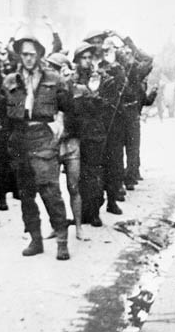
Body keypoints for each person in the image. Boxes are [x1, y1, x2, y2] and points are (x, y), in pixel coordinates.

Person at [3, 30, 71, 260]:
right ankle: (35, 238)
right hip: (20, 137)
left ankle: (62, 239)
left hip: (43, 135)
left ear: (40, 54)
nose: (28, 58)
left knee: (50, 191)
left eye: (32, 54)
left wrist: (59, 127)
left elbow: (68, 107)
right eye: (24, 55)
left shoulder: (54, 79)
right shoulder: (11, 80)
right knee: (26, 194)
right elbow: (4, 113)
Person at [44, 52, 88, 241]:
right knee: (52, 188)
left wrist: (69, 87)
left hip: (71, 142)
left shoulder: (78, 89)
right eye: (50, 68)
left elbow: (81, 114)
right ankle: (57, 226)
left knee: (73, 186)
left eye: (56, 68)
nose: (52, 72)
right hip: (53, 142)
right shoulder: (45, 89)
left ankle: (78, 227)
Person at [72, 42, 107, 227]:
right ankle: (83, 213)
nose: (86, 61)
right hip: (77, 132)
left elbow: (103, 105)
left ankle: (94, 212)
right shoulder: (72, 79)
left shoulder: (98, 78)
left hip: (93, 132)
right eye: (82, 58)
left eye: (88, 58)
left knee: (93, 173)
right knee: (78, 176)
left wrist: (92, 94)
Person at [114, 32, 153, 189]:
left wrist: (125, 39)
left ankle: (130, 178)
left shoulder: (135, 71)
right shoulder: (113, 69)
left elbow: (148, 59)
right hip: (116, 114)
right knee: (116, 151)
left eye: (129, 53)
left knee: (132, 147)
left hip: (131, 112)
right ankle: (118, 182)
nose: (128, 55)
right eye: (124, 53)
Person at [97, 36, 127, 215]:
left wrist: (115, 66)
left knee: (114, 163)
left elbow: (123, 84)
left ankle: (112, 201)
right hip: (98, 122)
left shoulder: (118, 67)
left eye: (110, 49)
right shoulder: (95, 67)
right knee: (98, 165)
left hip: (115, 121)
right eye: (105, 49)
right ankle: (96, 206)